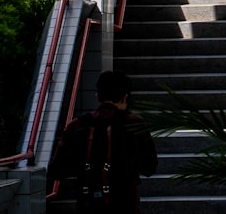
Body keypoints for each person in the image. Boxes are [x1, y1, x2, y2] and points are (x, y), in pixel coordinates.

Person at [48, 70, 158, 213]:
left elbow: (57, 170)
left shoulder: (77, 125)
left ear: (98, 96)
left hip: (88, 204)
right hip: (125, 204)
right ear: (125, 98)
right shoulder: (134, 123)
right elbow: (149, 167)